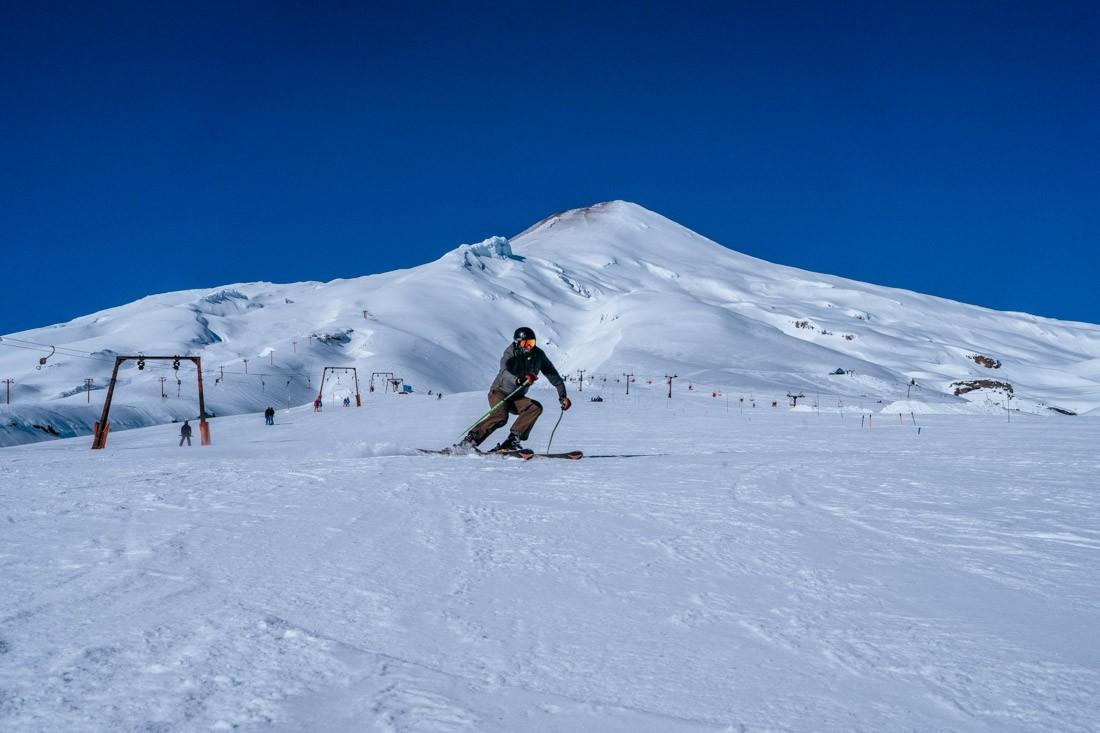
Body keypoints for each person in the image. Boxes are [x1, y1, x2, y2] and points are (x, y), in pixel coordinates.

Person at [456, 327, 571, 453]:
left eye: (531, 343)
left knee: (535, 408)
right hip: (499, 392)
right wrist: (519, 380)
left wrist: (562, 396)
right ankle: (469, 442)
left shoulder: (538, 355)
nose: (529, 347)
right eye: (524, 343)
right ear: (517, 343)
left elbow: (553, 375)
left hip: (516, 397)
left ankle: (512, 441)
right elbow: (504, 371)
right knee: (500, 416)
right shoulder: (510, 352)